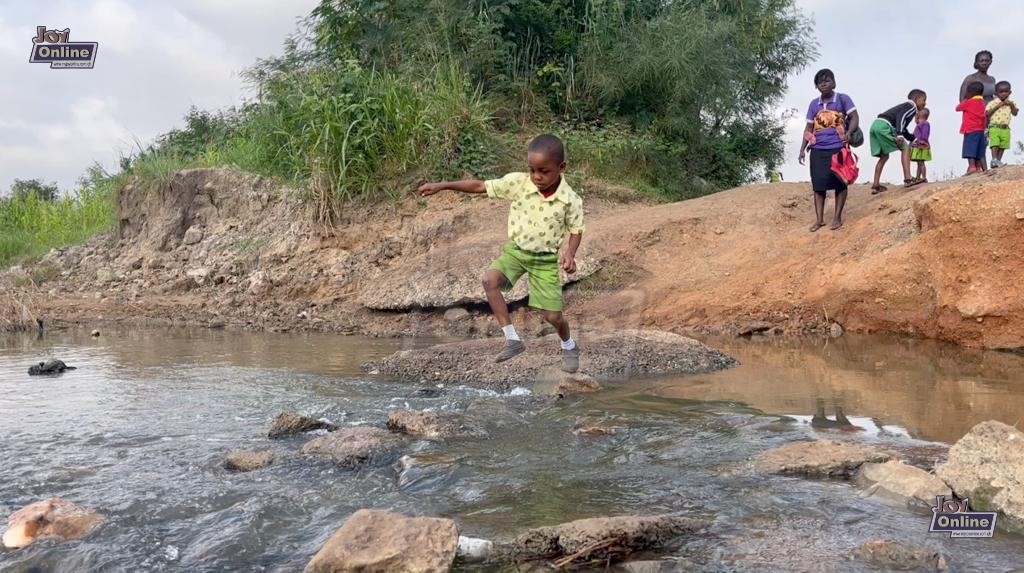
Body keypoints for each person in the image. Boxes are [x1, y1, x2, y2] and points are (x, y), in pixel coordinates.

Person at [418, 134, 585, 372]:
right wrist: (443, 185)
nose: (537, 176)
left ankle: (568, 345)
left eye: (544, 171)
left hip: (545, 261)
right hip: (516, 253)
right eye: (532, 170)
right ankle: (512, 339)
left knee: (552, 317)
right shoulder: (518, 183)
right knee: (489, 280)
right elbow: (479, 186)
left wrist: (570, 253)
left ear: (561, 168)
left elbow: (576, 230)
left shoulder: (570, 200)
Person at [798, 68, 859, 232]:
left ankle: (837, 217)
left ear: (834, 83)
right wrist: (802, 149)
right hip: (817, 148)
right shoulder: (813, 104)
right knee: (818, 185)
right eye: (820, 81)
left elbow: (854, 117)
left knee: (840, 182)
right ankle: (819, 220)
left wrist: (849, 132)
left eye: (827, 80)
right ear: (816, 86)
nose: (824, 83)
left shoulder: (843, 99)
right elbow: (809, 126)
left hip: (838, 147)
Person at [869, 89, 927, 194]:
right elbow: (901, 117)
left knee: (884, 156)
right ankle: (908, 178)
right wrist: (900, 134)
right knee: (905, 148)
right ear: (917, 99)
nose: (925, 103)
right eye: (924, 100)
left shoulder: (906, 107)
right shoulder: (911, 106)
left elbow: (902, 126)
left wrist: (911, 137)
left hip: (875, 125)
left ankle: (875, 185)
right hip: (885, 126)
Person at [957, 81, 988, 174]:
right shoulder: (983, 103)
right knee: (979, 149)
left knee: (970, 148)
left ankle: (972, 167)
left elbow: (958, 108)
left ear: (970, 93)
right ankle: (978, 167)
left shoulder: (969, 102)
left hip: (970, 130)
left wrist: (965, 99)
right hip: (980, 130)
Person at [986, 81, 1018, 167]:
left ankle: (998, 161)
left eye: (1006, 91)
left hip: (1005, 128)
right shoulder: (993, 103)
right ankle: (994, 159)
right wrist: (997, 106)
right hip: (995, 127)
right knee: (995, 143)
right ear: (996, 93)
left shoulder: (1011, 103)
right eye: (1001, 92)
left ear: (1010, 92)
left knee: (1003, 144)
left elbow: (1015, 113)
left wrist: (1011, 105)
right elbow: (987, 114)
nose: (1003, 94)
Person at [909, 108, 932, 182]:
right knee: (919, 163)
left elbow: (925, 134)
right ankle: (918, 177)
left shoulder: (925, 124)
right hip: (917, 146)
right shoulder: (920, 124)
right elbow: (914, 135)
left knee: (921, 162)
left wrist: (922, 141)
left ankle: (924, 177)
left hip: (922, 146)